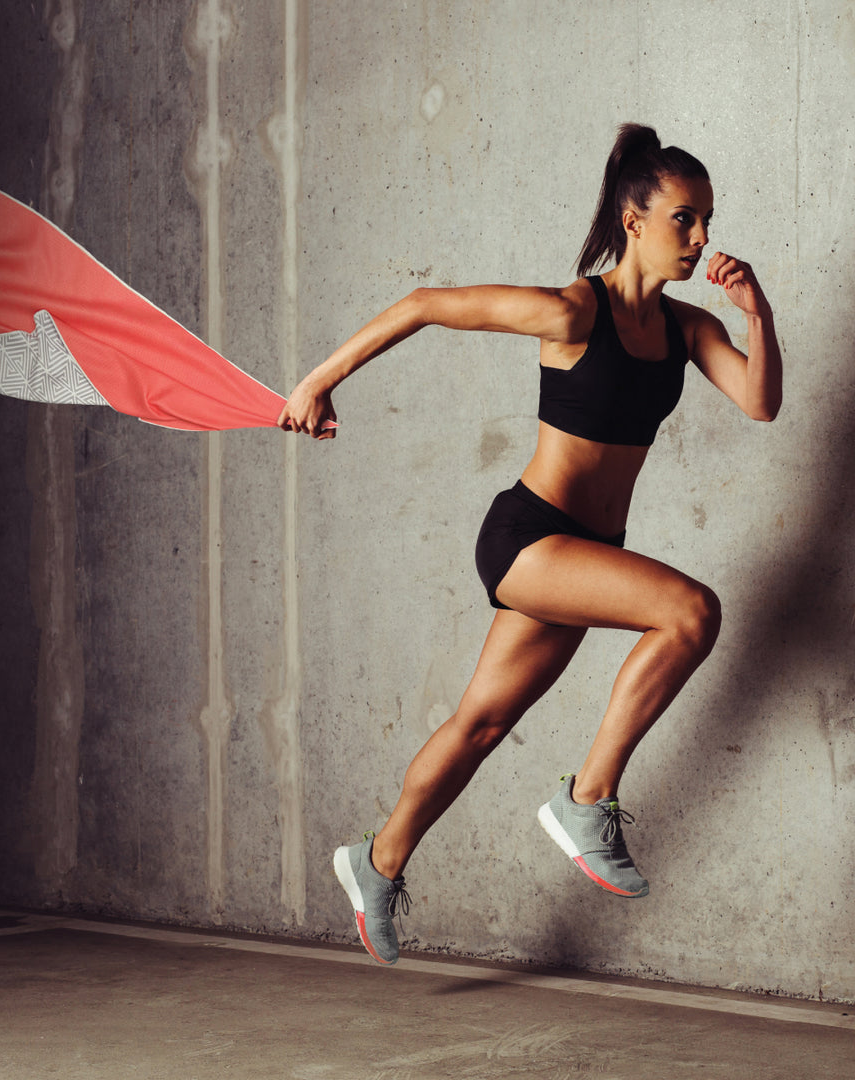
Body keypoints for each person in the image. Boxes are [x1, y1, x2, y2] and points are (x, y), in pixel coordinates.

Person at [277, 123, 783, 966]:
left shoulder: (690, 329)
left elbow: (761, 401)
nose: (700, 239)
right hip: (529, 539)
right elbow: (428, 305)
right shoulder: (571, 310)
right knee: (692, 612)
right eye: (684, 220)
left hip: (588, 554)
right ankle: (588, 799)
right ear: (634, 219)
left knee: (482, 721)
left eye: (706, 221)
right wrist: (318, 380)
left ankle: (376, 861)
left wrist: (756, 309)